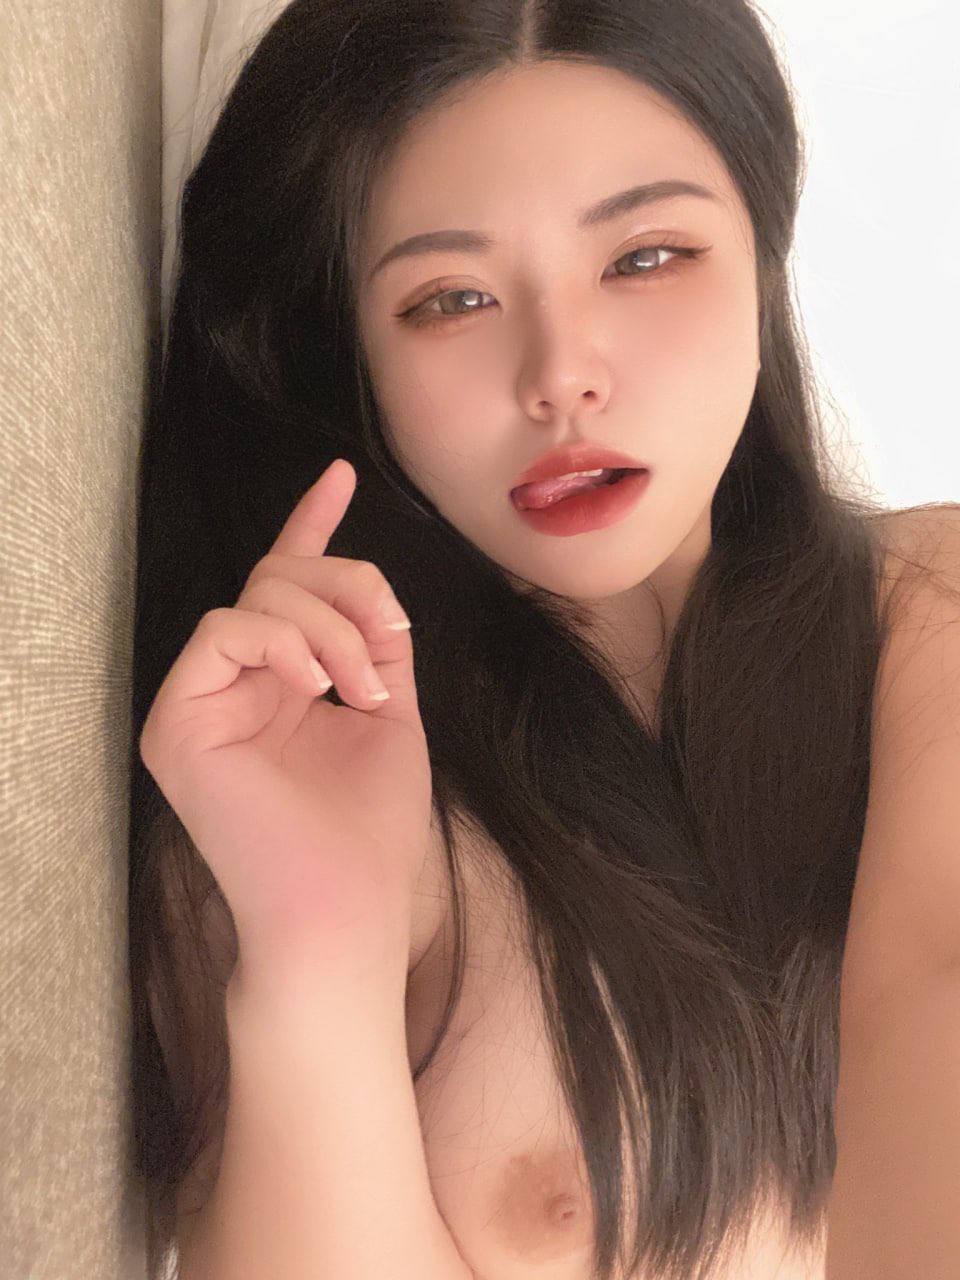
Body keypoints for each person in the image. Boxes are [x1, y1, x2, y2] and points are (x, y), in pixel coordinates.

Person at [128, 3, 941, 1278]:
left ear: (764, 253)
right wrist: (319, 951)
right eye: (451, 297)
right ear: (348, 355)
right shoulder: (291, 771)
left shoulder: (925, 609)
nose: (561, 372)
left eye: (646, 256)